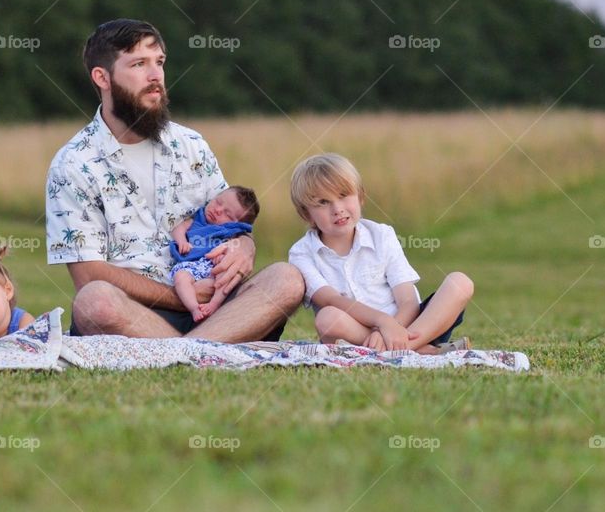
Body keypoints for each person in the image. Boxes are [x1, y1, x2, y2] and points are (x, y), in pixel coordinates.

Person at [45, 19, 303, 341]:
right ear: (102, 77)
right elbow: (89, 274)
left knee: (287, 278)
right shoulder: (73, 165)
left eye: (160, 63)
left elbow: (232, 223)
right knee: (94, 301)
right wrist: (185, 296)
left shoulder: (191, 145)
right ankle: (208, 349)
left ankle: (188, 350)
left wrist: (245, 248)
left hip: (215, 308)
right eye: (139, 64)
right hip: (134, 315)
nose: (156, 77)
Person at [287, 153, 473, 354]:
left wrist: (392, 326)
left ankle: (402, 348)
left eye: (343, 196)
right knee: (327, 318)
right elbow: (331, 300)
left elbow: (408, 302)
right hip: (354, 333)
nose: (337, 209)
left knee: (460, 283)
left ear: (360, 197)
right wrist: (382, 323)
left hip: (413, 326)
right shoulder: (301, 253)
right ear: (306, 214)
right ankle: (423, 352)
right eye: (323, 202)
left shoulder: (382, 234)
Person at [170, 186, 259, 322]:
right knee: (180, 278)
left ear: (237, 224)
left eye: (227, 214)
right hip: (191, 265)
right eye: (218, 202)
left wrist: (223, 256)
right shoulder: (197, 219)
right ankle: (194, 308)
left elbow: (233, 247)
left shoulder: (230, 232)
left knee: (226, 275)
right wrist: (182, 241)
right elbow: (179, 228)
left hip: (213, 269)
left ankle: (214, 304)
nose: (217, 210)